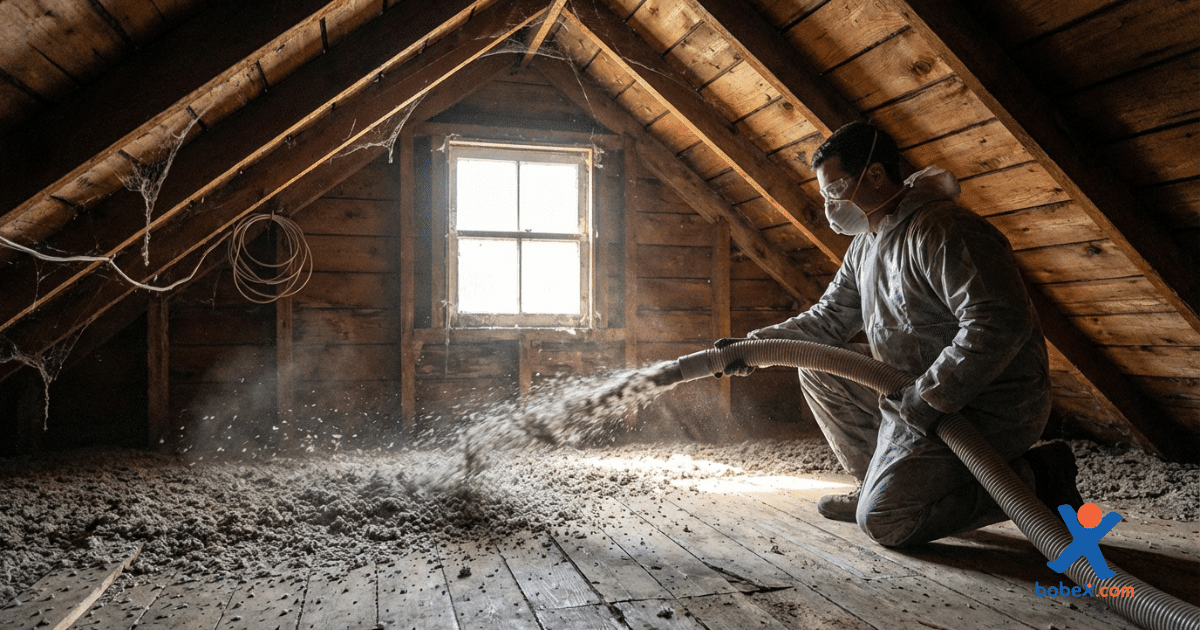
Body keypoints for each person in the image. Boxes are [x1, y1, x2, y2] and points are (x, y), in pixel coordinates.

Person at [729, 121, 1083, 547]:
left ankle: (1041, 476)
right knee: (818, 368)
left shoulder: (945, 229)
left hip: (987, 403)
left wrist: (930, 396)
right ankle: (872, 482)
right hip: (913, 393)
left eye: (835, 189)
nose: (830, 204)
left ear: (876, 175)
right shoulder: (865, 245)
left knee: (888, 521)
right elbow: (828, 319)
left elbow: (998, 321)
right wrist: (753, 347)